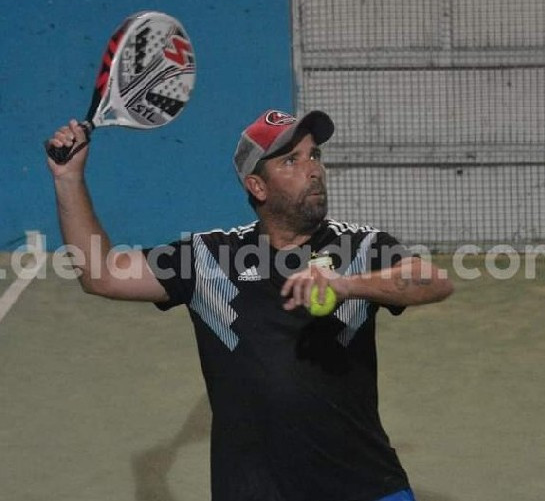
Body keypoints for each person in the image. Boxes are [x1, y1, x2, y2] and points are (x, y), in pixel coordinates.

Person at [47, 109, 453, 501]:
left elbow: (434, 281)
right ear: (257, 187)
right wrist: (69, 178)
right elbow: (101, 274)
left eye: (314, 155)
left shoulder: (361, 247)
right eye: (291, 160)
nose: (313, 169)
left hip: (365, 486)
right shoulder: (209, 258)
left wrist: (348, 285)